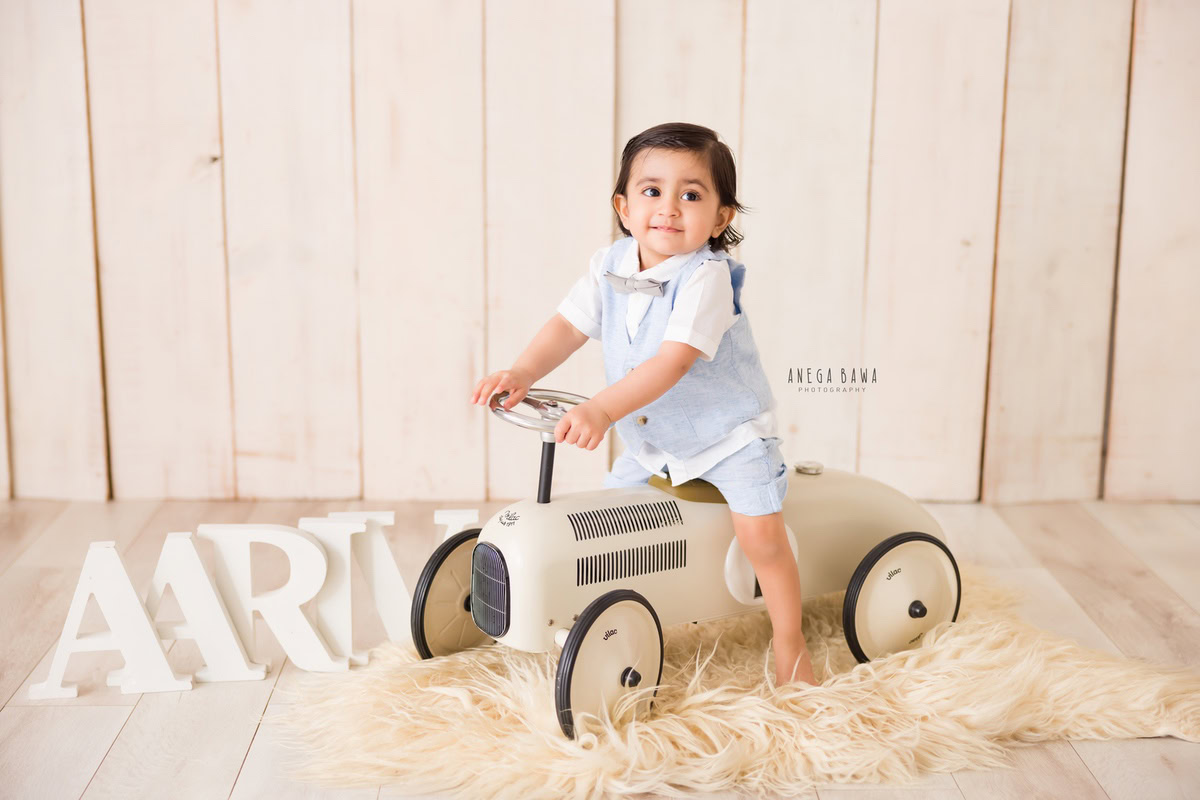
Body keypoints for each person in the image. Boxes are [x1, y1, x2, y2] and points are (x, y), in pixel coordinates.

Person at [470, 122, 816, 688]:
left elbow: (672, 362)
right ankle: (618, 624)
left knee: (762, 539)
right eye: (653, 191)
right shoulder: (609, 263)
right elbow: (568, 326)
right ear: (624, 207)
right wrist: (523, 371)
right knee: (612, 525)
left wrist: (602, 410)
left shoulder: (706, 278)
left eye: (692, 195)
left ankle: (790, 642)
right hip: (653, 442)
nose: (670, 209)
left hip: (727, 436)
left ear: (721, 217)